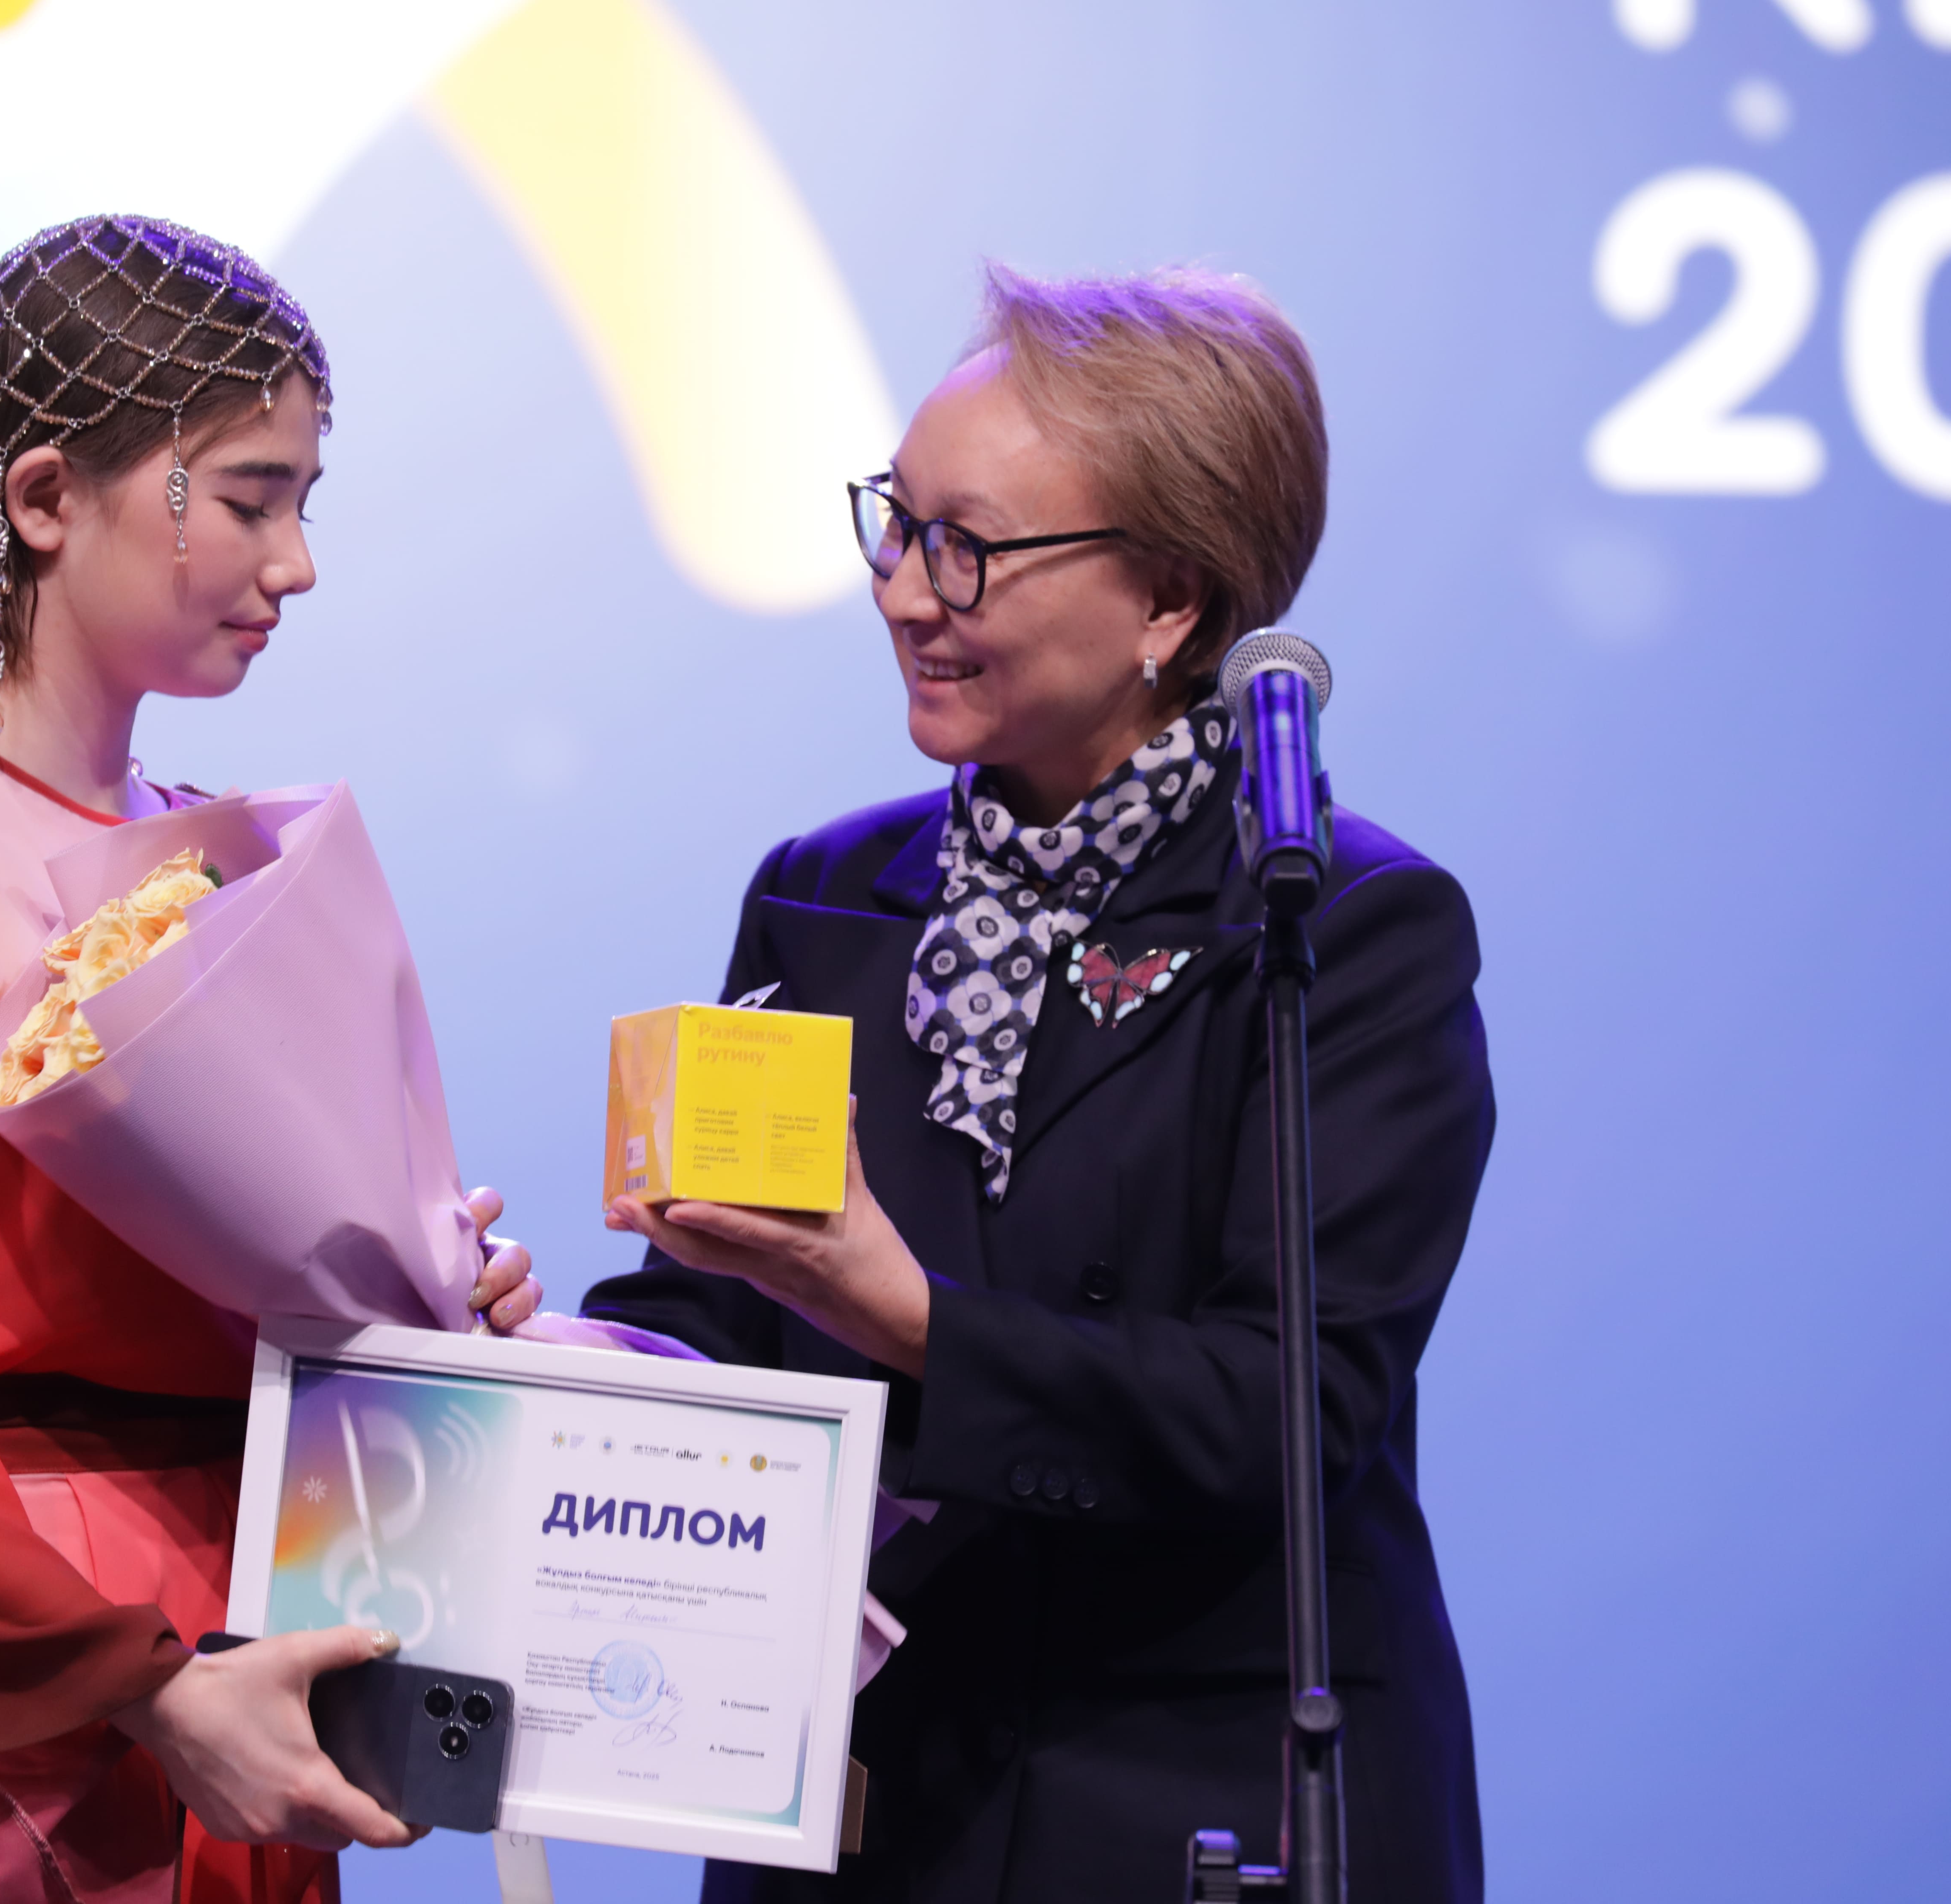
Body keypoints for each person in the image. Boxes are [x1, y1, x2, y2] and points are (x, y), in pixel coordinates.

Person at [0, 216, 545, 1904]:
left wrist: (418, 1305)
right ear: (48, 497)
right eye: (252, 499)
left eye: (307, 502)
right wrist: (131, 1681)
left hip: (239, 1660)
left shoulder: (194, 848)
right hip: (15, 1699)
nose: (298, 563)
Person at [585, 264, 1494, 1903]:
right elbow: (725, 1309)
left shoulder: (1339, 926)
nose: (901, 592)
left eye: (968, 548)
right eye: (896, 523)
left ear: (1173, 605)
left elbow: (1279, 1417)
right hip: (870, 1808)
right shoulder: (824, 892)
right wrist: (553, 1361)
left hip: (1191, 1804)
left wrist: (909, 1317)